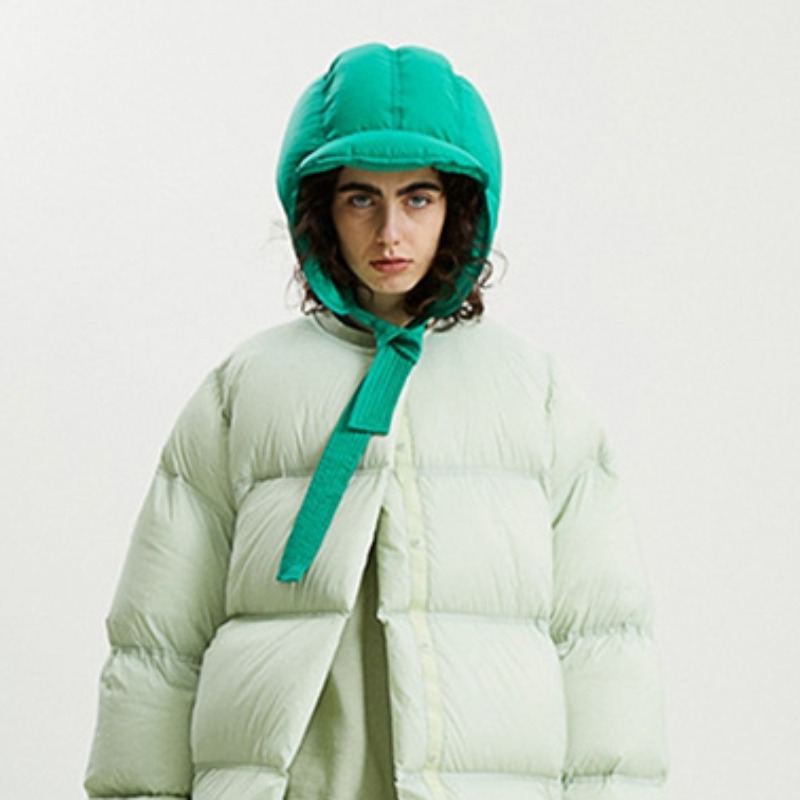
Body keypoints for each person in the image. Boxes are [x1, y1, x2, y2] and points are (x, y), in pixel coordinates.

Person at [85, 43, 668, 800]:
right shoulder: (246, 389)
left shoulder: (535, 394)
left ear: (459, 208)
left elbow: (602, 646)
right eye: (361, 199)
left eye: (418, 198)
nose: (390, 233)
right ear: (320, 210)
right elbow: (158, 644)